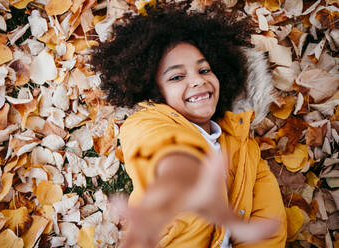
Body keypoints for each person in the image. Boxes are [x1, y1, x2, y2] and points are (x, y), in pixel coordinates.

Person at [92, 2, 287, 247]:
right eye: (176, 77)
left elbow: (269, 225)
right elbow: (161, 152)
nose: (197, 81)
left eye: (204, 70)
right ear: (157, 93)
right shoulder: (145, 124)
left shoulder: (244, 147)